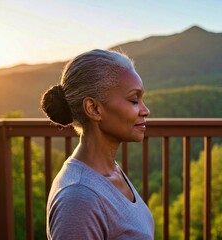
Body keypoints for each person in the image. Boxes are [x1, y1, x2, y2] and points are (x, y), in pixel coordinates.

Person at [41, 49, 154, 239]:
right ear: (94, 109)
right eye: (134, 100)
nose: (145, 110)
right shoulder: (79, 198)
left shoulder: (110, 171)